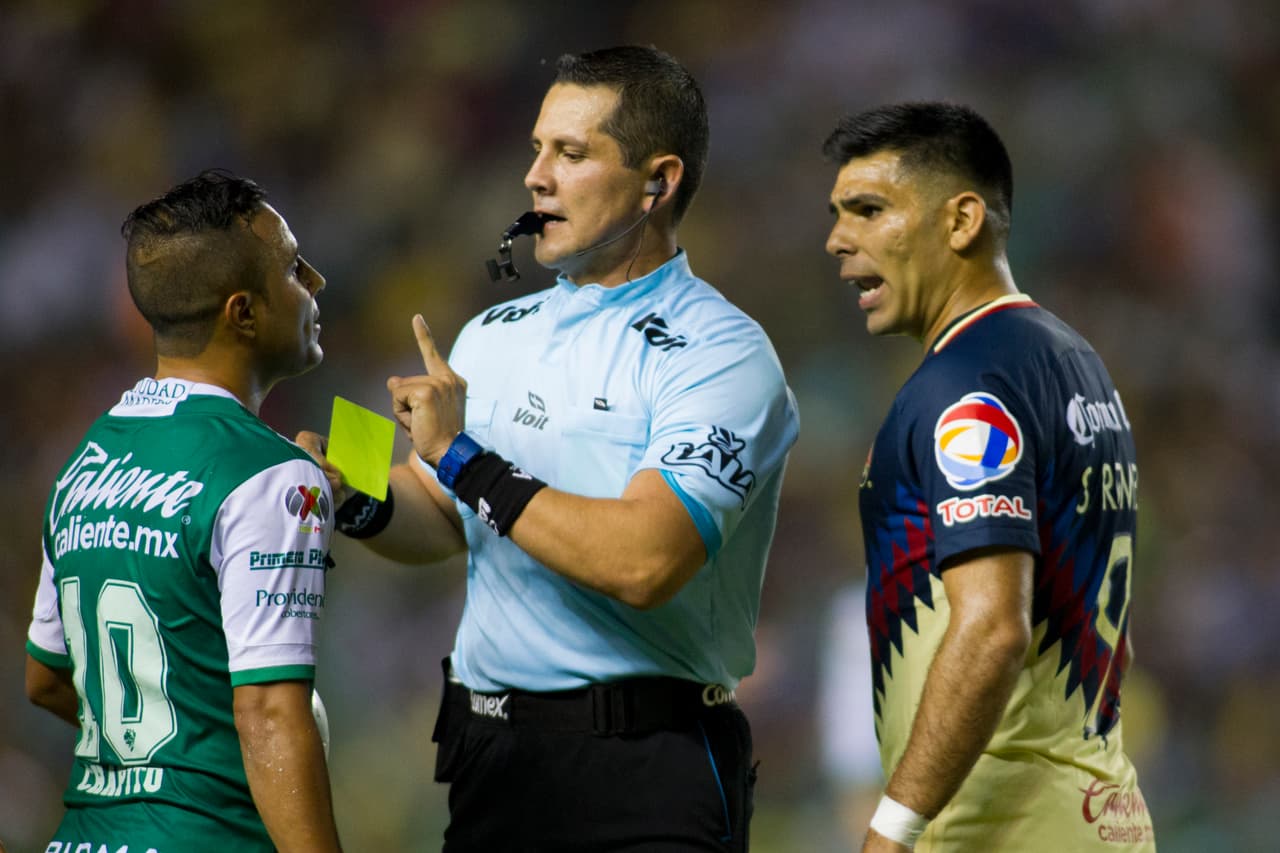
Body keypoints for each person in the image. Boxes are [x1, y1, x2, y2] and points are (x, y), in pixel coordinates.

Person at [300, 46, 798, 851]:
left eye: (570, 153)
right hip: (491, 757)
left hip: (647, 771)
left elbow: (644, 561)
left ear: (657, 181)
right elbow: (448, 509)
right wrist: (351, 488)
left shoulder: (723, 353)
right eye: (537, 149)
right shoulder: (493, 334)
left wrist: (461, 457)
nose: (535, 177)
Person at [822, 102, 1156, 851]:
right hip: (1100, 814)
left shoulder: (966, 386)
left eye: (869, 210)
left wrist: (892, 829)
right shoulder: (1074, 361)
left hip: (999, 829)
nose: (838, 240)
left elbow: (993, 626)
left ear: (962, 220)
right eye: (840, 214)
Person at [25, 170, 343, 852]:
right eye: (292, 267)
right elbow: (269, 714)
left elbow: (45, 677)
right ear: (243, 312)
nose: (314, 281)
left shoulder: (89, 458)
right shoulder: (270, 477)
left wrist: (163, 748)